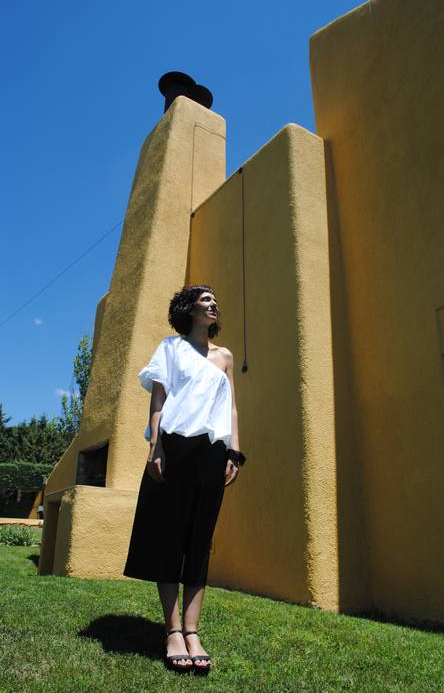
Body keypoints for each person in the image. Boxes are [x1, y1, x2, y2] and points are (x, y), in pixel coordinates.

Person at [123, 284, 245, 674]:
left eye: (215, 299)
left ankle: (193, 632)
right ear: (189, 309)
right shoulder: (170, 349)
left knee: (199, 539)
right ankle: (173, 630)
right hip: (174, 447)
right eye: (205, 298)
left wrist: (234, 452)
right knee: (169, 537)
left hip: (212, 452)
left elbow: (231, 408)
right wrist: (155, 446)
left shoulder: (224, 356)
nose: (213, 302)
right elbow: (158, 402)